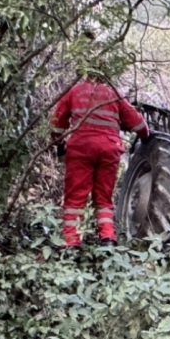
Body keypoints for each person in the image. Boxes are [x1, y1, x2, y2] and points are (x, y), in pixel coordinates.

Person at [50, 73, 150, 248]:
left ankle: (71, 242)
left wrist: (58, 143)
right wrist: (146, 136)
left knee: (75, 198)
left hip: (81, 149)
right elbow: (139, 124)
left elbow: (57, 123)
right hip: (109, 150)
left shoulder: (74, 91)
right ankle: (108, 238)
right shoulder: (114, 94)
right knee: (104, 198)